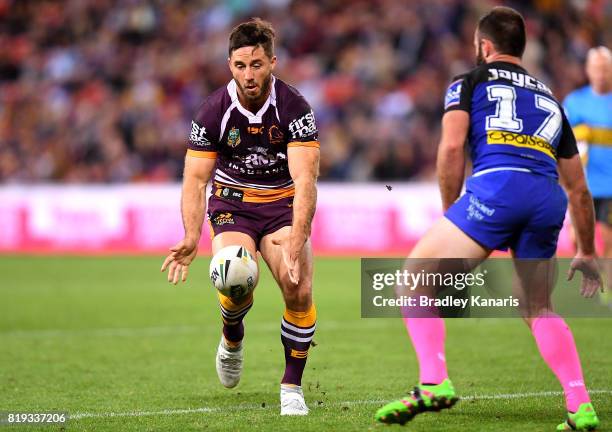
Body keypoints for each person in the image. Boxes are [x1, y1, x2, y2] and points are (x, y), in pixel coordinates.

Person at [375, 7, 601, 431]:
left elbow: (450, 149)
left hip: (498, 187)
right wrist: (587, 250)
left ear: (484, 46)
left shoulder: (469, 81)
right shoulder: (550, 98)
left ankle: (433, 382)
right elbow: (578, 189)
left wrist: (451, 216)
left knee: (412, 279)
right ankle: (580, 404)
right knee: (538, 307)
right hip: (546, 198)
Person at [160, 18, 320, 416]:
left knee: (297, 288)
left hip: (281, 206)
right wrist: (190, 235)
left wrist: (299, 237)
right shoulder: (213, 111)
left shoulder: (295, 108)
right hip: (232, 205)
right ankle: (232, 335)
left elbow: (306, 179)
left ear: (273, 63)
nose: (249, 75)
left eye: (257, 65)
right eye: (240, 65)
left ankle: (291, 387)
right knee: (234, 275)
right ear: (229, 64)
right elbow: (196, 181)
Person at [564, 46, 612, 301]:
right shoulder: (574, 102)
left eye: (605, 68)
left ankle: (608, 293)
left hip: (610, 186)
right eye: (597, 68)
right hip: (581, 185)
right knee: (576, 237)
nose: (601, 73)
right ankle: (587, 283)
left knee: (607, 238)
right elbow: (563, 141)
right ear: (588, 70)